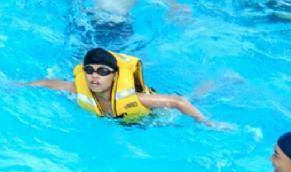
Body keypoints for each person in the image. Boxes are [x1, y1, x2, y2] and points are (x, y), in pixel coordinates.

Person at [23, 48, 209, 123]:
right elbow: (46, 83)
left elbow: (178, 102)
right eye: (89, 70)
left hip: (152, 119)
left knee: (193, 98)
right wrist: (15, 85)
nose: (94, 76)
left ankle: (220, 82)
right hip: (122, 122)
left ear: (114, 75)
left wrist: (207, 123)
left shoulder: (136, 99)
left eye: (103, 71)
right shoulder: (80, 89)